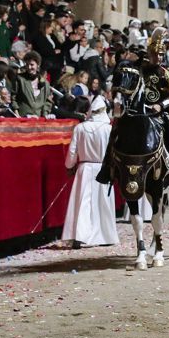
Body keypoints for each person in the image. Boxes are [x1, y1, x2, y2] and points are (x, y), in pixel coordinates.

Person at [62, 95, 118, 248]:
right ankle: (106, 235)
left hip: (84, 168)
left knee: (83, 203)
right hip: (102, 168)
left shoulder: (80, 128)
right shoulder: (108, 129)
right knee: (103, 203)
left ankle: (80, 236)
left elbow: (72, 152)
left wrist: (69, 166)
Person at [12, 51, 53, 117]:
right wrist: (17, 114)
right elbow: (13, 97)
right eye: (27, 64)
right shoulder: (19, 79)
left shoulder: (45, 83)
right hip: (23, 117)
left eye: (32, 64)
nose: (29, 67)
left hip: (38, 119)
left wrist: (45, 114)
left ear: (38, 65)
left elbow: (48, 101)